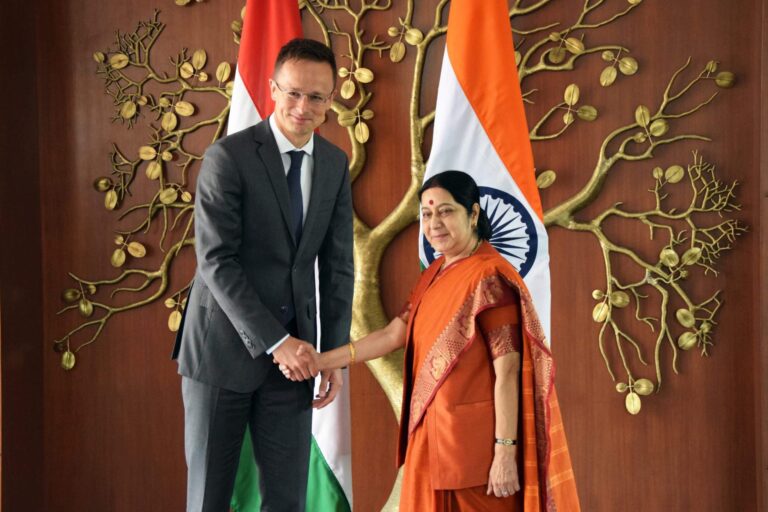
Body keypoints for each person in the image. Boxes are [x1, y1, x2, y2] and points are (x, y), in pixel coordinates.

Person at [282, 170, 580, 511]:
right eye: (426, 214)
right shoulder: (434, 274)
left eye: (446, 211)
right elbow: (394, 334)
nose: (434, 223)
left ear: (473, 214)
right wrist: (321, 361)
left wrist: (505, 451)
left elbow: (508, 371)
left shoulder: (489, 278)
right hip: (428, 438)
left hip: (475, 449)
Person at [171, 38, 354, 512]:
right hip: (219, 352)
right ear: (272, 89)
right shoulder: (228, 157)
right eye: (293, 93)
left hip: (296, 363)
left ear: (330, 100)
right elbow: (216, 261)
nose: (303, 107)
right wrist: (277, 342)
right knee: (209, 498)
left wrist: (333, 355)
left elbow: (338, 266)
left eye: (316, 97)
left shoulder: (335, 164)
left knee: (288, 500)